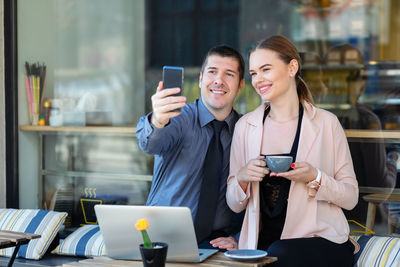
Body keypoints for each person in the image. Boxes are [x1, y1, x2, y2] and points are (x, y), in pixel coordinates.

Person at [226, 35, 359, 266]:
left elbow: (351, 197)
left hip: (320, 242)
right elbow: (234, 203)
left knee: (280, 253)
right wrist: (242, 177)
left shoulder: (327, 123)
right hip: (261, 246)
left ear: (292, 67)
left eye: (266, 69)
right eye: (254, 74)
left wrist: (315, 177)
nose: (258, 80)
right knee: (272, 253)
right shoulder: (245, 127)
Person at [136, 45, 245, 250]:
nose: (218, 81)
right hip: (163, 238)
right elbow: (150, 144)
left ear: (240, 86)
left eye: (229, 74)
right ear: (202, 78)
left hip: (217, 244)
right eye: (212, 72)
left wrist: (241, 237)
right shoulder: (178, 118)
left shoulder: (246, 131)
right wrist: (158, 120)